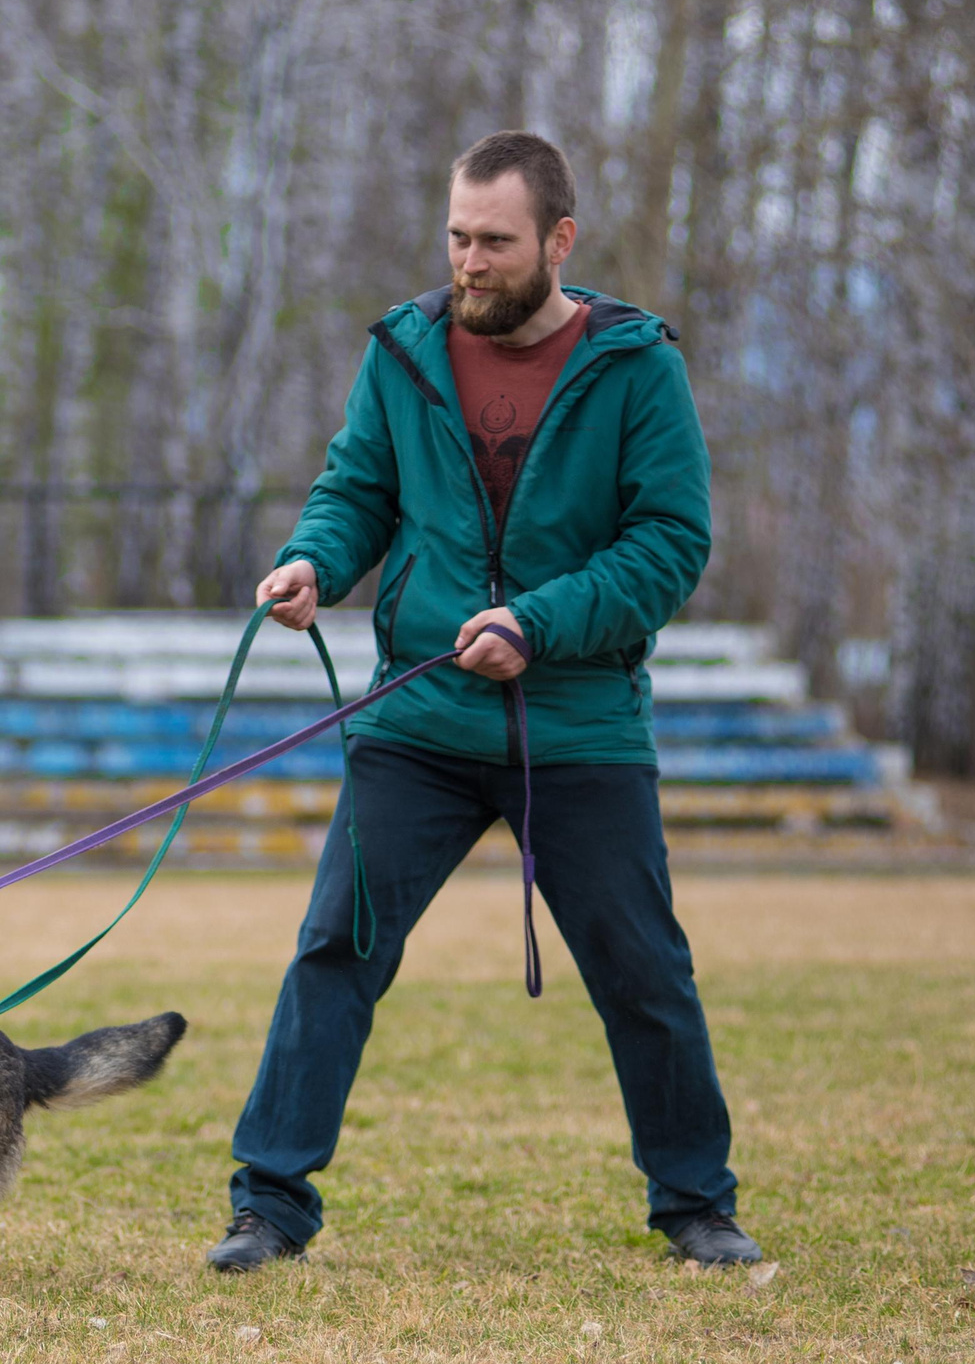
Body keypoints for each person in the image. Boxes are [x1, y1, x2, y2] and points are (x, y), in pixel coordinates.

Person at [207, 130, 761, 1273]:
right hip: (415, 727)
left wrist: (537, 623)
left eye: (495, 242)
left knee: (646, 975)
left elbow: (669, 543)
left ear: (558, 240)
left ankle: (695, 1204)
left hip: (579, 728)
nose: (469, 262)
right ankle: (268, 1206)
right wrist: (313, 560)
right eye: (457, 236)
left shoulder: (636, 366)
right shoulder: (403, 351)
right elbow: (356, 489)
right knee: (331, 952)